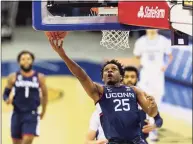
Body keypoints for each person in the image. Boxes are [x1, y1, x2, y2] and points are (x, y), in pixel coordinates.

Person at [48, 32, 158, 144]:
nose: (109, 70)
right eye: (106, 70)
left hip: (136, 141)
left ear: (121, 76)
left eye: (114, 69)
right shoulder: (99, 91)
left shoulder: (134, 90)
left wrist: (153, 105)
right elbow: (81, 76)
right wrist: (63, 55)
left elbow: (151, 112)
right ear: (102, 77)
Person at [85, 66, 163, 144]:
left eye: (132, 77)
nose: (129, 79)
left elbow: (159, 119)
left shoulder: (142, 98)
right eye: (126, 77)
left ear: (137, 79)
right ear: (121, 78)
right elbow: (87, 141)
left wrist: (154, 125)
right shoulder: (106, 108)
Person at [133, 29, 173, 141]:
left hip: (158, 78)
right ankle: (141, 128)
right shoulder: (140, 41)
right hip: (145, 77)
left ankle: (153, 130)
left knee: (156, 104)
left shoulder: (164, 41)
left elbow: (170, 56)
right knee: (142, 104)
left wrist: (165, 66)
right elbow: (137, 57)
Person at [3, 50, 48, 144]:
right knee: (16, 142)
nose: (26, 61)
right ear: (19, 62)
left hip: (31, 114)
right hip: (17, 113)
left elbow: (45, 95)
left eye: (28, 59)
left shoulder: (40, 77)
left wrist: (43, 111)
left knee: (27, 140)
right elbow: (5, 94)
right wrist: (7, 99)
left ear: (32, 61)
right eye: (23, 59)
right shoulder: (13, 77)